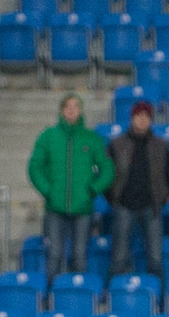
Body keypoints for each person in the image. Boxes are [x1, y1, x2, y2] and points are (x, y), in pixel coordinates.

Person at [28, 93, 114, 281]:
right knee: (54, 255)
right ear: (61, 110)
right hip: (55, 209)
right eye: (67, 106)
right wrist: (48, 191)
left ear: (81, 110)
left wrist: (92, 189)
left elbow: (107, 169)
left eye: (75, 106)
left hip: (83, 209)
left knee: (79, 256)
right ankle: (51, 294)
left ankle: (76, 294)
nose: (71, 110)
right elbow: (34, 167)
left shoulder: (92, 139)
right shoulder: (48, 136)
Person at [106, 100, 169, 279]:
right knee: (119, 258)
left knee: (155, 259)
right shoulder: (116, 144)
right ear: (132, 118)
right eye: (139, 116)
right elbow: (105, 174)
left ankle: (157, 294)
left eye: (146, 116)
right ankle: (115, 292)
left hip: (151, 208)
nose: (142, 120)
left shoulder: (161, 145)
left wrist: (161, 198)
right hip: (124, 206)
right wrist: (114, 197)